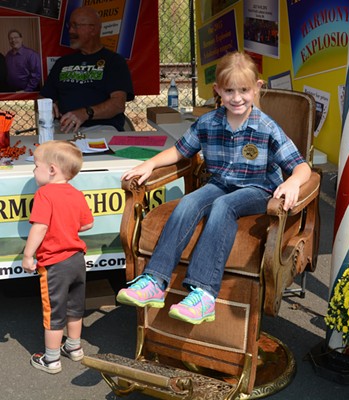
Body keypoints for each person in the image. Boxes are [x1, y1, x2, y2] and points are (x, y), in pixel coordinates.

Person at [116, 52, 311, 325]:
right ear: (218, 90)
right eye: (229, 90)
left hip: (257, 189)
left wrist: (292, 181)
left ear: (257, 87)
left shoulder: (266, 127)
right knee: (189, 202)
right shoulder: (209, 122)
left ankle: (204, 294)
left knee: (224, 206)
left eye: (244, 90)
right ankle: (155, 281)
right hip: (220, 183)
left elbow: (302, 167)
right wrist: (149, 164)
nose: (237, 97)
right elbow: (180, 151)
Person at [22, 140, 94, 374]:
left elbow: (40, 227)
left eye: (35, 166)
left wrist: (28, 254)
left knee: (53, 311)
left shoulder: (44, 194)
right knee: (75, 306)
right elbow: (88, 224)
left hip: (54, 263)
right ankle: (74, 347)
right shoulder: (76, 194)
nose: (34, 171)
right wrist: (67, 226)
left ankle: (51, 359)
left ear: (51, 169)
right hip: (76, 259)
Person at [40, 6, 134, 134]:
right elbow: (42, 98)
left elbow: (118, 104)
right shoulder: (62, 63)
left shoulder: (114, 62)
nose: (71, 31)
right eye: (70, 26)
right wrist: (46, 105)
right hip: (64, 128)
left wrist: (85, 113)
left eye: (76, 26)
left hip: (101, 128)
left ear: (93, 29)